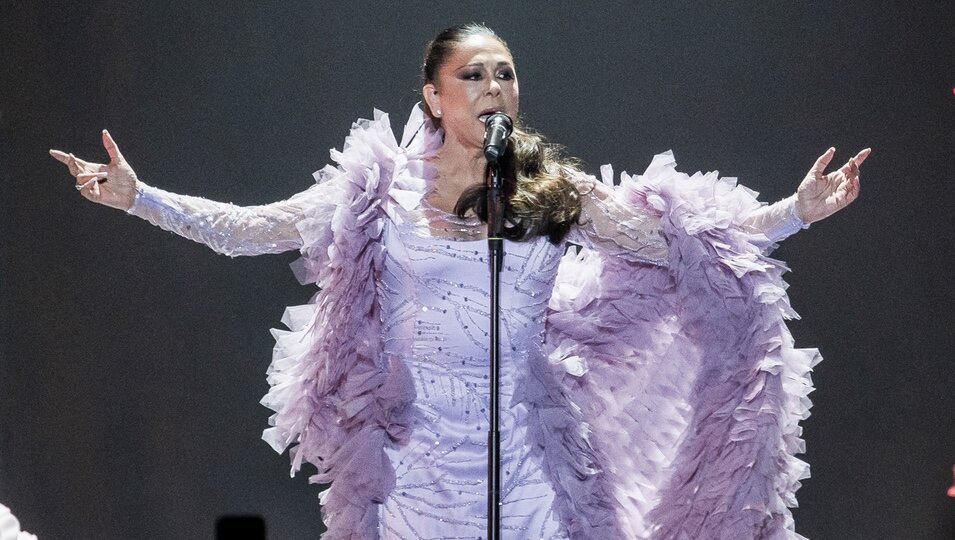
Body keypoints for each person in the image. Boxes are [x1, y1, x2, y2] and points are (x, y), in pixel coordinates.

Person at [50, 23, 869, 540]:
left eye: (505, 75)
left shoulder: (555, 190)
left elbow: (684, 247)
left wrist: (792, 212)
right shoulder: (376, 192)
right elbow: (248, 230)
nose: (494, 89)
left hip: (529, 459)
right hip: (413, 466)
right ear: (432, 94)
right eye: (474, 75)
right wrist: (140, 198)